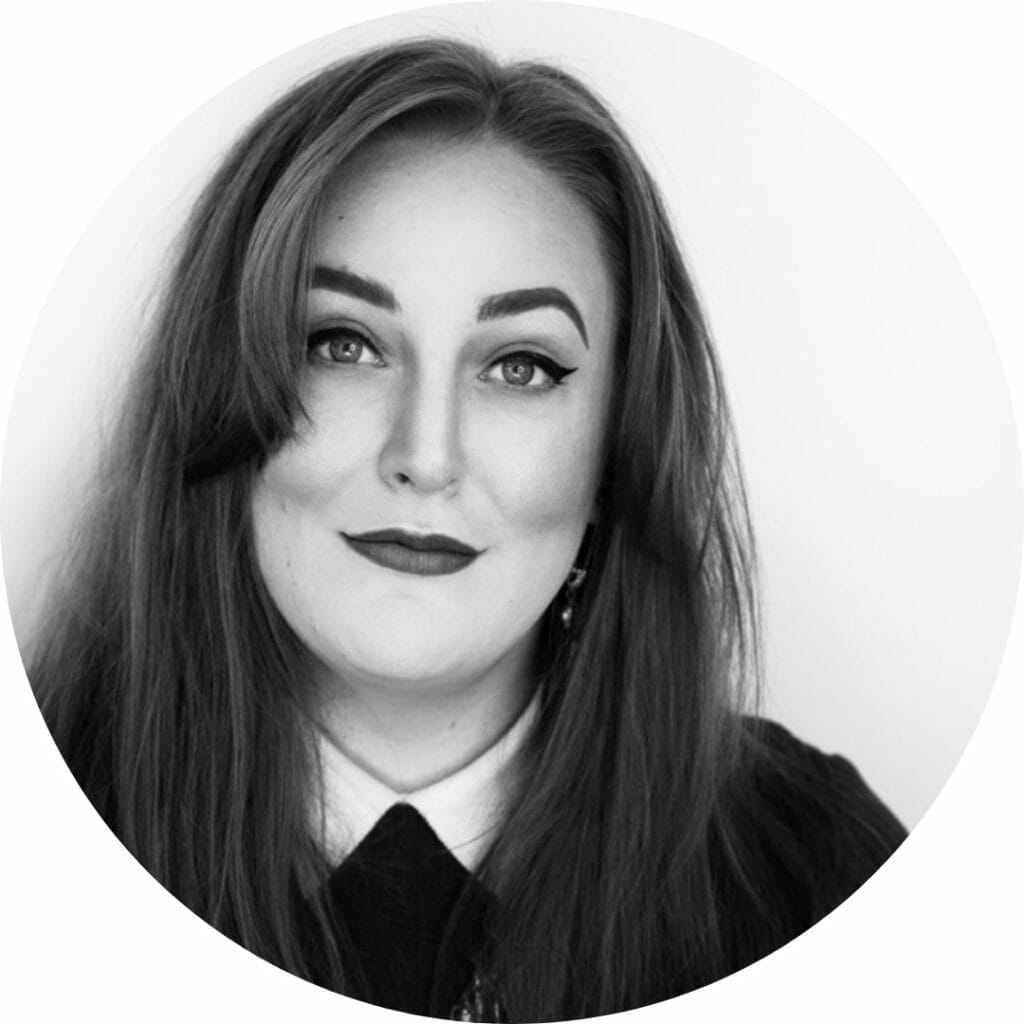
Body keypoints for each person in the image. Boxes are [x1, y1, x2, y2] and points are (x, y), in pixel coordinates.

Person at [27, 37, 906, 1021]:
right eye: (342, 344)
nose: (425, 455)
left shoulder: (817, 876)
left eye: (520, 366)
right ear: (216, 389)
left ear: (617, 451)